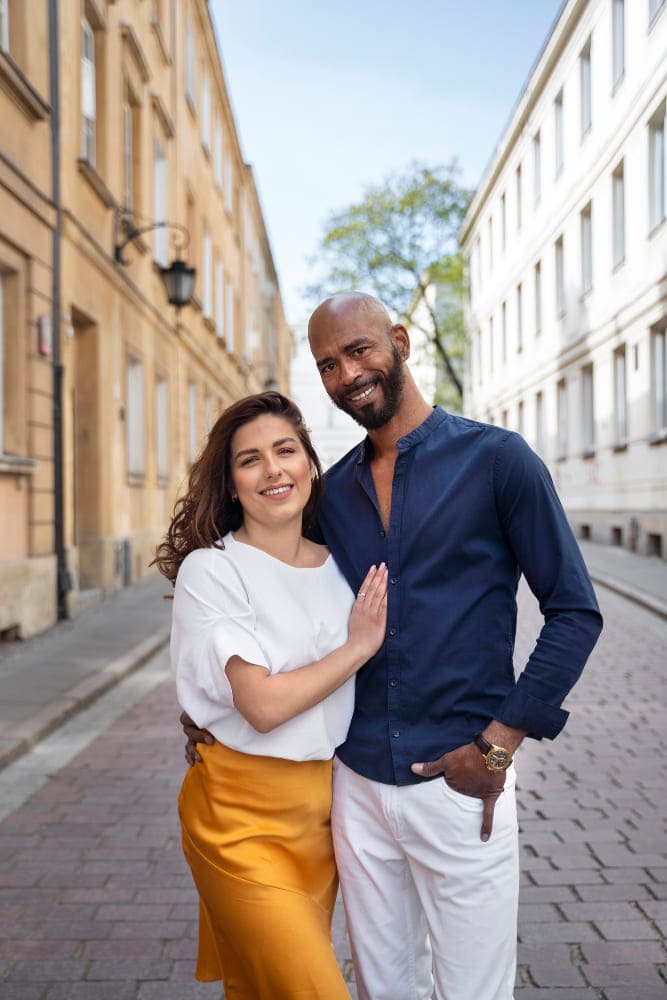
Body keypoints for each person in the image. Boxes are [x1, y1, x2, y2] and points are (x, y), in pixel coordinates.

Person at [184, 292, 603, 1000]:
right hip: (354, 787)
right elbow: (272, 589)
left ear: (400, 343)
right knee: (384, 989)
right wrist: (205, 708)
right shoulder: (332, 489)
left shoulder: (497, 461)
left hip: (458, 778)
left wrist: (497, 746)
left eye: (358, 351)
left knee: (473, 991)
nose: (346, 374)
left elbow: (574, 612)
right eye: (326, 364)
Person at [156, 391, 388, 999]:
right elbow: (260, 707)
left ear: (311, 464)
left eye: (285, 451)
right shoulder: (214, 569)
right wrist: (357, 648)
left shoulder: (344, 567)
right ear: (231, 484)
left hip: (320, 819)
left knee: (268, 990)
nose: (272, 470)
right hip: (237, 818)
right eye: (249, 460)